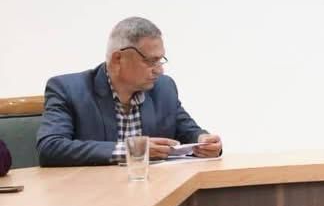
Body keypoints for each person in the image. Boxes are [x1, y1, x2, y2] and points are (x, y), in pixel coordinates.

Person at [37, 17, 222, 166]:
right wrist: (131, 150)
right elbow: (50, 147)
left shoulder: (163, 88)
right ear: (118, 59)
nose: (159, 70)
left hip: (153, 190)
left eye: (160, 60)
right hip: (92, 193)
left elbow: (187, 131)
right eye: (150, 61)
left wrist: (204, 141)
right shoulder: (68, 89)